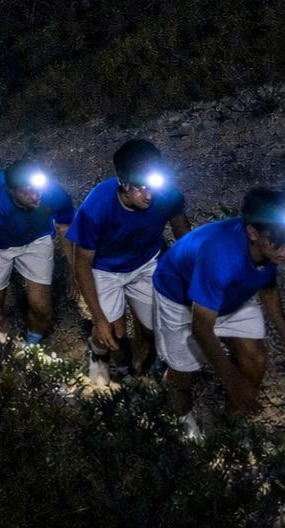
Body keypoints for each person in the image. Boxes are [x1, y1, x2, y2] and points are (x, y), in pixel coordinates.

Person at [152, 186, 285, 438]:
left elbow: (268, 287)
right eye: (283, 242)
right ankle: (181, 424)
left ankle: (226, 431)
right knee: (182, 375)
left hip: (229, 293)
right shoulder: (221, 256)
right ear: (252, 232)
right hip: (179, 297)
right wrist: (232, 381)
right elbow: (201, 328)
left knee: (255, 360)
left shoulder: (265, 248)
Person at [67, 139, 192, 385]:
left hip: (146, 262)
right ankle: (98, 354)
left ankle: (144, 367)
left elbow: (184, 236)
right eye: (140, 187)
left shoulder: (167, 196)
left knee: (155, 326)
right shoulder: (96, 208)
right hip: (105, 269)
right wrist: (99, 318)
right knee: (110, 332)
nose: (149, 194)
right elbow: (82, 263)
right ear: (123, 183)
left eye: (153, 185)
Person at [0, 159, 75, 345]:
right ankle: (1, 329)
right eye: (27, 191)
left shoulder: (53, 192)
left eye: (38, 189)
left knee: (42, 308)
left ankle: (31, 344)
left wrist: (73, 267)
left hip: (35, 240)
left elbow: (65, 227)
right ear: (11, 191)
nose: (37, 196)